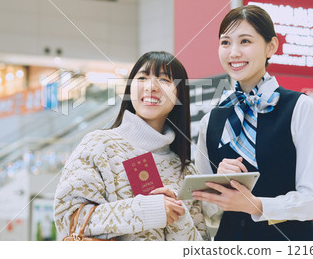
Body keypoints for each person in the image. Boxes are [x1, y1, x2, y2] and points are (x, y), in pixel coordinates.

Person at [193, 5, 313, 241]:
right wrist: (217, 185)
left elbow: (312, 202)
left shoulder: (300, 108)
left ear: (271, 46)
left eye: (245, 41)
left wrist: (256, 205)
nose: (233, 52)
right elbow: (206, 211)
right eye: (225, 43)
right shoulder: (210, 121)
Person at [54, 51, 209, 241]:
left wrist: (179, 217)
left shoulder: (185, 171)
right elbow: (69, 219)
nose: (151, 87)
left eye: (164, 80)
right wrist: (146, 211)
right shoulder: (98, 146)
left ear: (179, 95)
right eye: (142, 77)